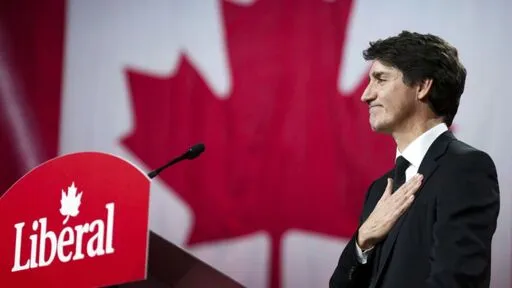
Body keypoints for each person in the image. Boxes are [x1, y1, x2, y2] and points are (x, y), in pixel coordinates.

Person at [329, 31, 500, 288]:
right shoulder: (378, 190)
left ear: (421, 86)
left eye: (380, 79)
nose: (366, 95)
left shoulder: (465, 169)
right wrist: (362, 241)